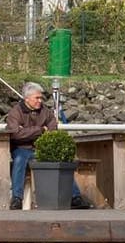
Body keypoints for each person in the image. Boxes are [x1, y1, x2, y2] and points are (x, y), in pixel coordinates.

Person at [7, 82, 92, 210]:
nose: (40, 101)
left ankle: (75, 197)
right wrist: (41, 130)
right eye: (37, 98)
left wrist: (27, 131)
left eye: (41, 98)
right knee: (19, 161)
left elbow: (52, 130)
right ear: (27, 98)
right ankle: (17, 199)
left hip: (41, 149)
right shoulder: (15, 112)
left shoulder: (45, 111)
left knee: (60, 162)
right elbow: (15, 134)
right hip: (22, 149)